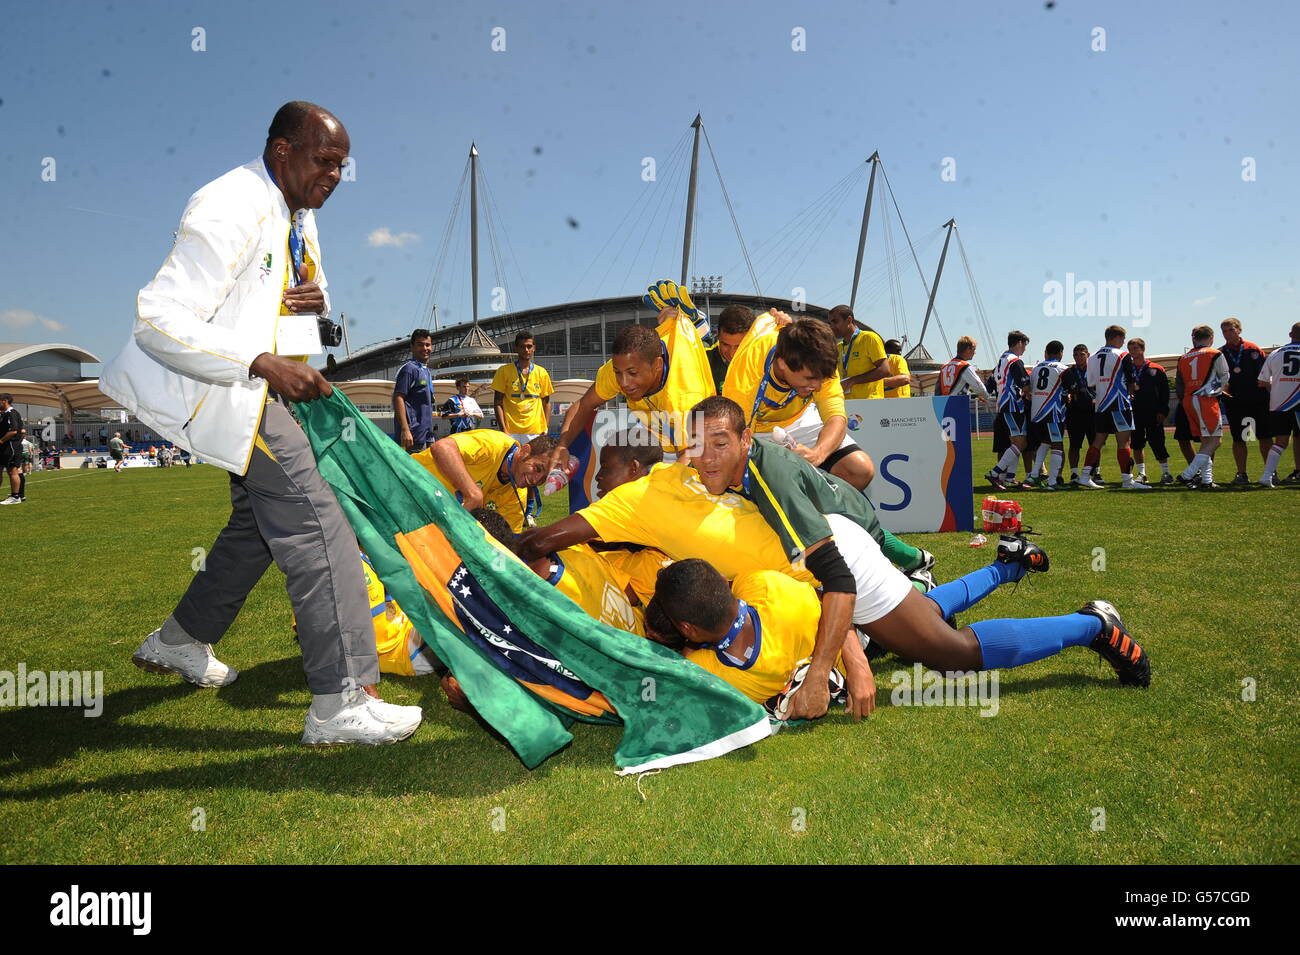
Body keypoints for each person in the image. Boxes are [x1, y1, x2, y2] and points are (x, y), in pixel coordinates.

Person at [99, 100, 421, 746]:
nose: (334, 176)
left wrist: (313, 314)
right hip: (236, 395)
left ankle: (180, 640)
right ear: (282, 152)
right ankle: (342, 699)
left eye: (341, 166)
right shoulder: (230, 204)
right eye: (323, 160)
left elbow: (311, 320)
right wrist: (263, 360)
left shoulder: (299, 218)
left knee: (255, 531)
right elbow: (157, 317)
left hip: (266, 393)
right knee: (320, 515)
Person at [550, 294, 713, 466]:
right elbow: (584, 405)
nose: (624, 383)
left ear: (657, 365)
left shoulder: (685, 394)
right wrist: (561, 447)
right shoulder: (623, 365)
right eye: (618, 373)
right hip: (662, 434)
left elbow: (693, 455)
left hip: (700, 442)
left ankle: (703, 333)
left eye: (632, 373)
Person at [723, 311, 875, 491]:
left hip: (799, 420)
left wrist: (818, 454)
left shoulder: (820, 359)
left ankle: (815, 514)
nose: (818, 387)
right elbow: (738, 437)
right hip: (754, 430)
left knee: (859, 470)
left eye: (822, 379)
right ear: (782, 364)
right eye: (809, 379)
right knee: (759, 483)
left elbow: (835, 417)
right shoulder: (748, 370)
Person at [412, 429, 553, 532]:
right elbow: (442, 447)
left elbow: (508, 542)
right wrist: (472, 493)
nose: (536, 480)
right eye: (538, 468)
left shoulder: (517, 496)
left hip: (425, 518)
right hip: (407, 482)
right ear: (525, 451)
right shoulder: (495, 444)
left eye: (543, 479)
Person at [1080, 325, 1147, 489]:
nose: (1123, 342)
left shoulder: (1093, 357)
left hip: (1101, 403)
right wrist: (1132, 390)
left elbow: (1091, 382)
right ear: (1117, 338)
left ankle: (1084, 476)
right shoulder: (1122, 355)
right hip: (1119, 402)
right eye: (1123, 339)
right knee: (1124, 442)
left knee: (1097, 441)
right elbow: (1131, 380)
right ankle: (1127, 480)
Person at [1174, 325, 1230, 489]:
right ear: (1211, 338)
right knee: (1216, 440)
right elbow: (1225, 376)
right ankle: (1188, 474)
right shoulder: (1215, 353)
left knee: (1206, 441)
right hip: (1206, 399)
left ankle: (1207, 480)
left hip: (1189, 399)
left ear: (1194, 338)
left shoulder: (1184, 357)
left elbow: (1181, 382)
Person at [1218, 317, 1272, 484]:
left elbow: (1266, 374)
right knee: (1239, 439)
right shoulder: (1220, 353)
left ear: (1239, 330)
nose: (1227, 334)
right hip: (1235, 402)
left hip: (1258, 400)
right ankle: (1242, 474)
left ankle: (1271, 472)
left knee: (1265, 436)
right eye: (1224, 331)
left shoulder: (1253, 349)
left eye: (1231, 330)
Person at [1255, 322, 1300, 487]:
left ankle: (1267, 476)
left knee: (1280, 441)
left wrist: (1279, 384)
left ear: (1290, 334)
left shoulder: (1275, 353)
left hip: (1279, 403)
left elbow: (1261, 381)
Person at [986, 331, 1032, 490]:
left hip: (1003, 404)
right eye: (1024, 345)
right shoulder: (1015, 361)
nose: (1024, 349)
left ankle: (1009, 478)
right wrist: (1029, 391)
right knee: (1020, 443)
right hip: (1012, 404)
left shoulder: (1000, 362)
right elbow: (1026, 385)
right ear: (1019, 343)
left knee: (1017, 443)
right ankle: (995, 473)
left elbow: (989, 387)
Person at [1026, 341, 1075, 490]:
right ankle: (1053, 481)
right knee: (1057, 445)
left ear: (1046, 352)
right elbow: (1072, 388)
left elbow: (1030, 389)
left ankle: (1034, 475)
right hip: (1052, 413)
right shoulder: (1063, 369)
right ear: (1061, 352)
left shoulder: (1036, 368)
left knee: (1045, 442)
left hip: (1036, 413)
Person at [492, 331, 553, 443]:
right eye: (522, 346)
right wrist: (504, 430)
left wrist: (545, 428)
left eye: (529, 346)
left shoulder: (542, 372)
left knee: (533, 461)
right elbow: (497, 403)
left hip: (535, 431)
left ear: (534, 348)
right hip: (511, 431)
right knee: (512, 461)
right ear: (516, 348)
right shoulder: (503, 371)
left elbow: (547, 403)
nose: (526, 350)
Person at [1127, 338, 1173, 484]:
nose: (1132, 352)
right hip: (1134, 412)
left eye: (1135, 348)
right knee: (1136, 443)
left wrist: (1162, 411)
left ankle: (1166, 473)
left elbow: (1164, 393)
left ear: (1142, 349)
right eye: (1130, 349)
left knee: (1157, 442)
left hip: (1153, 412)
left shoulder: (1156, 368)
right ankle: (1142, 474)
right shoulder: (1127, 369)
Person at [828, 304, 888, 400]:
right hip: (845, 403)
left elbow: (884, 370)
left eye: (835, 322)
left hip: (869, 403)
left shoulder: (869, 338)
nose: (832, 326)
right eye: (830, 323)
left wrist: (853, 381)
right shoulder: (838, 347)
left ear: (849, 320)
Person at [392, 328, 435, 452]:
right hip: (412, 437)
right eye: (420, 345)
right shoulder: (409, 369)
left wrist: (430, 436)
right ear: (412, 347)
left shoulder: (425, 370)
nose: (425, 348)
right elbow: (398, 397)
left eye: (427, 345)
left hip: (425, 435)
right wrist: (405, 430)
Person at [706, 305, 756, 394]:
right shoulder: (703, 359)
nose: (731, 354)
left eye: (738, 346)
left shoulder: (762, 359)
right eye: (725, 345)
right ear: (717, 334)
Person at [937, 336, 992, 400]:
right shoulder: (964, 366)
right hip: (957, 404)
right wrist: (988, 398)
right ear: (968, 349)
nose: (975, 353)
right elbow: (979, 387)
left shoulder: (944, 366)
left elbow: (937, 390)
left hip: (942, 405)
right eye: (974, 349)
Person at [0, 394, 25, 504]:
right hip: (4, 447)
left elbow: (13, 431)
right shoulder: (5, 414)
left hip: (11, 446)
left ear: (4, 401)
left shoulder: (11, 413)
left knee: (12, 471)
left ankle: (16, 496)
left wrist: (0, 441)